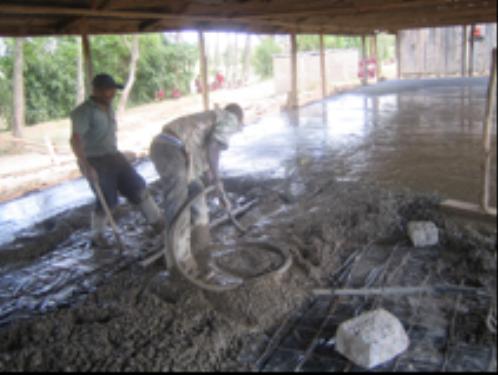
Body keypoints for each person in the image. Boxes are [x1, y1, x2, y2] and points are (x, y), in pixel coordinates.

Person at [70, 73, 163, 248]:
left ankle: (158, 222)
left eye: (113, 90)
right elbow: (75, 140)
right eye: (108, 90)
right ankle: (97, 236)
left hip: (114, 156)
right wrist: (85, 164)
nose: (112, 93)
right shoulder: (83, 112)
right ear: (96, 90)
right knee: (107, 200)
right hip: (95, 160)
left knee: (139, 188)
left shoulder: (108, 107)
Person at [150, 103, 244, 270]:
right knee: (178, 206)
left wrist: (219, 191)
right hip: (170, 149)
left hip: (174, 150)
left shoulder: (212, 120)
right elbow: (214, 147)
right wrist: (217, 178)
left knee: (197, 191)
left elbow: (206, 167)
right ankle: (180, 263)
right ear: (238, 119)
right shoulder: (229, 118)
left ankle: (201, 242)